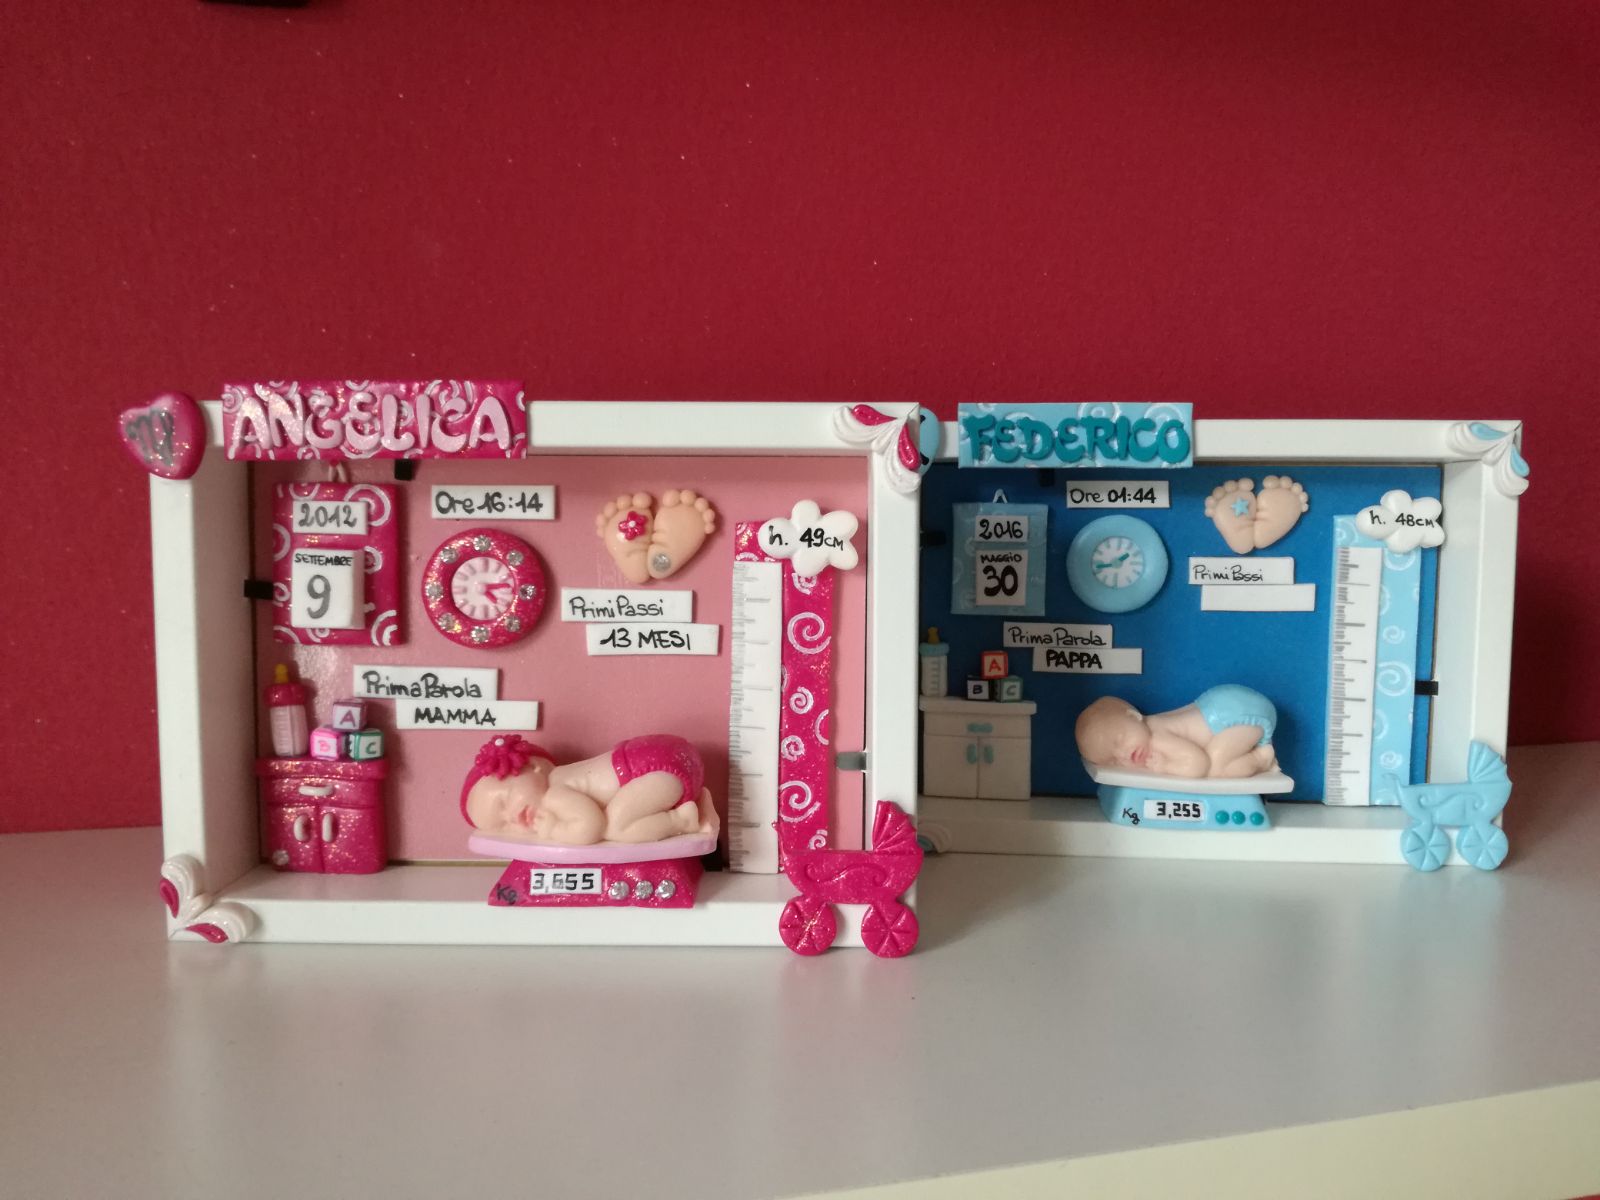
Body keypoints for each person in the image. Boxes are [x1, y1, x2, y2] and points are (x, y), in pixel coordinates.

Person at [461, 734, 718, 845]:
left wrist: (552, 829)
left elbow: (591, 827)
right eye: (503, 825)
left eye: (504, 801)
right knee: (621, 815)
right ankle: (697, 803)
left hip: (654, 769)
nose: (511, 816)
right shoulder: (565, 776)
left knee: (615, 828)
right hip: (662, 759)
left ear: (533, 767)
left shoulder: (555, 793)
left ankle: (682, 820)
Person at [1075, 686, 1279, 780]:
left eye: (1120, 740)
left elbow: (1198, 765)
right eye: (1113, 761)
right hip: (1225, 705)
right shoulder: (1152, 726)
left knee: (1216, 769)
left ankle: (1261, 758)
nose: (1123, 754)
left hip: (1238, 717)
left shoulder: (1157, 738)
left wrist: (1165, 766)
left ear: (1134, 716)